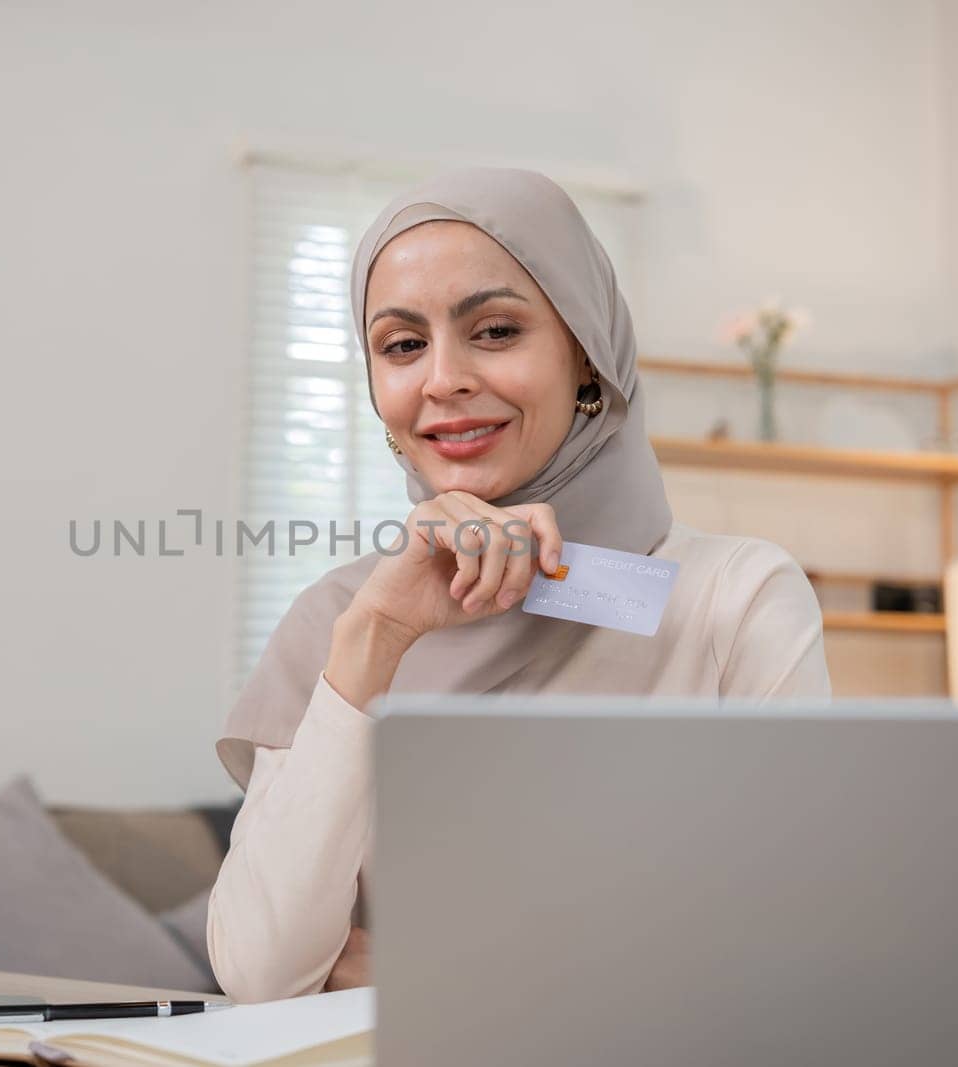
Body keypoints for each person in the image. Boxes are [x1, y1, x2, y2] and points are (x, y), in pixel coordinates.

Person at [207, 168, 830, 1004]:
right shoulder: (346, 615)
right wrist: (378, 639)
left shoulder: (735, 598)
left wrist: (431, 974)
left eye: (495, 330)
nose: (443, 379)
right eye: (400, 346)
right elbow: (261, 973)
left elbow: (794, 954)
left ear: (586, 354)